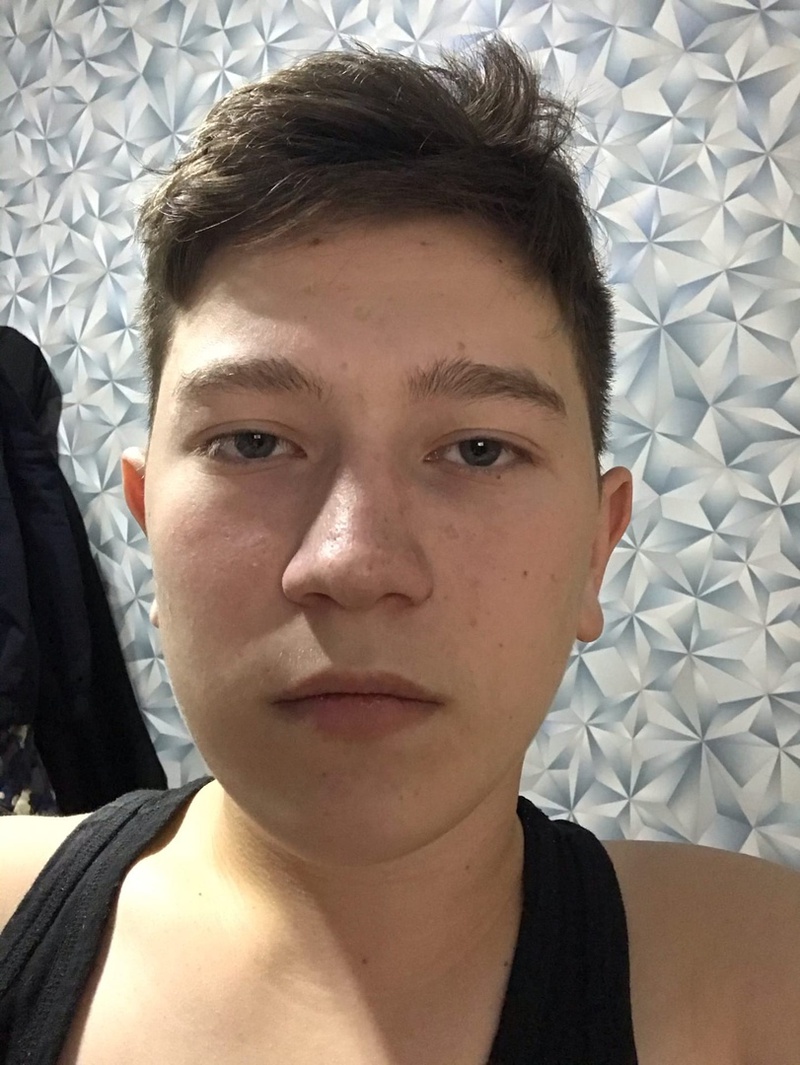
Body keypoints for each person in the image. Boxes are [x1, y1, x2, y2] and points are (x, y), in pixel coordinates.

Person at [0, 36, 798, 1065]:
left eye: (478, 449)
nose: (353, 562)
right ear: (147, 521)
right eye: (253, 442)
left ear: (596, 552)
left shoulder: (761, 981)